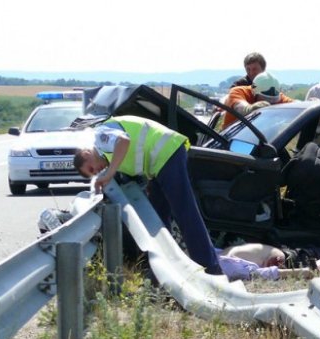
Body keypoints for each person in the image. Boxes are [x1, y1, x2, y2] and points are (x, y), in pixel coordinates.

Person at [73, 115, 223, 275]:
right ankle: (163, 271)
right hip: (160, 164)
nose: (97, 172)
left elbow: (123, 140)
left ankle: (210, 268)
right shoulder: (108, 153)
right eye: (94, 173)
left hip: (167, 153)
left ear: (87, 153)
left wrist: (110, 173)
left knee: (185, 213)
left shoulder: (100, 137)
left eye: (92, 169)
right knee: (157, 220)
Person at [221, 71, 293, 129]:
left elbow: (298, 106)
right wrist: (253, 108)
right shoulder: (238, 91)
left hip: (264, 140)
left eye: (274, 100)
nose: (271, 103)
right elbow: (242, 108)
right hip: (230, 138)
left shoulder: (277, 97)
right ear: (254, 92)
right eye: (266, 99)